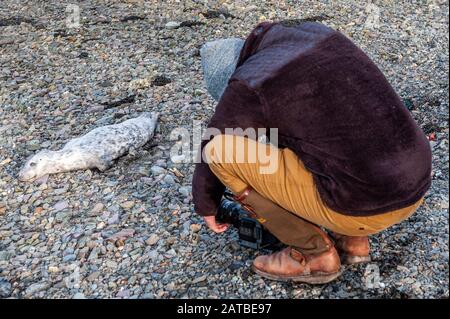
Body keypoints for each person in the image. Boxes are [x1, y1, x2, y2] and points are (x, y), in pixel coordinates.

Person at [192, 21, 432, 284]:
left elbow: (212, 143)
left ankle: (313, 253)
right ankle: (353, 242)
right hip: (415, 184)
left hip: (360, 206)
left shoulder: (249, 83)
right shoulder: (312, 35)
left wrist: (207, 204)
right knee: (327, 124)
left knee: (221, 151)